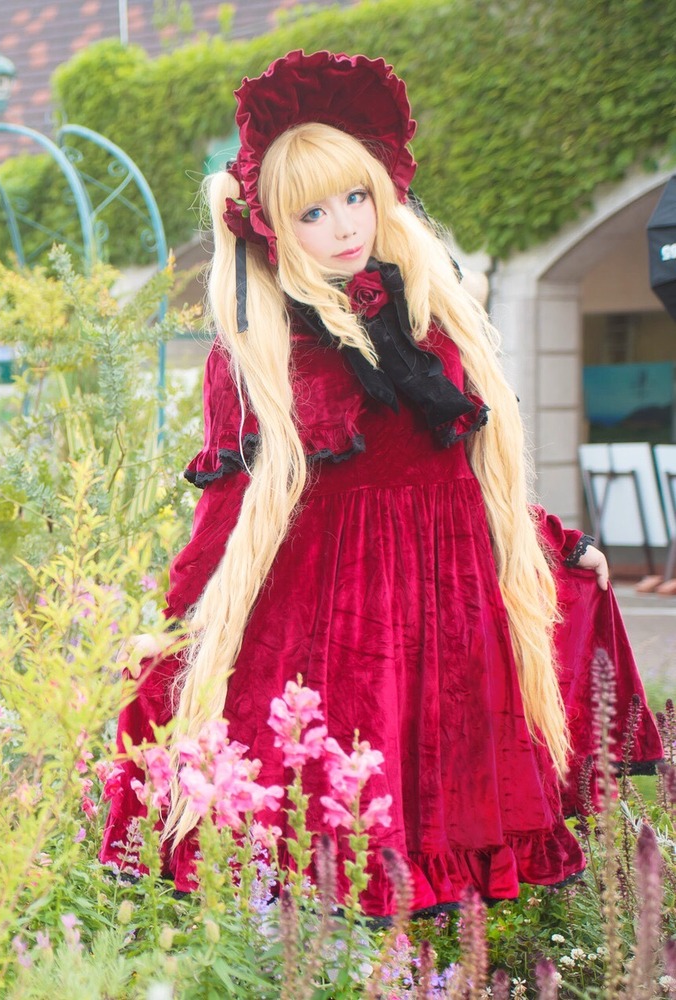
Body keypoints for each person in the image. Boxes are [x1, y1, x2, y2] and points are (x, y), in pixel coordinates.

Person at [99, 50, 663, 917]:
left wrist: (558, 542)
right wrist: (176, 627)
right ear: (273, 226)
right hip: (339, 627)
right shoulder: (257, 348)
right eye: (313, 210)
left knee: (439, 828)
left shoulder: (430, 321)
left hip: (449, 612)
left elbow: (472, 473)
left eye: (355, 197)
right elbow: (226, 511)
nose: (343, 224)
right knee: (336, 834)